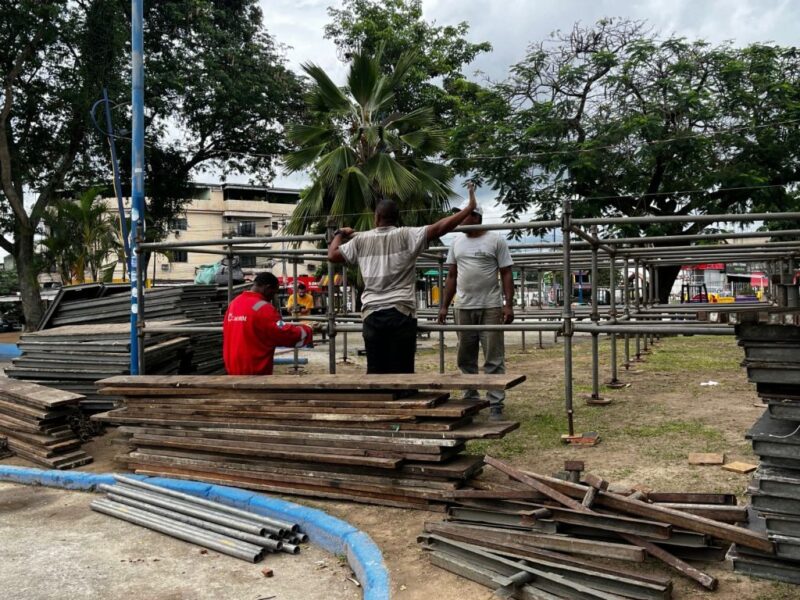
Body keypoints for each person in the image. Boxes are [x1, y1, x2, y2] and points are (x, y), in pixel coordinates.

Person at [327, 185, 478, 373]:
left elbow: (332, 255)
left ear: (377, 217)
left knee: (376, 371)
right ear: (396, 218)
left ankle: (382, 400)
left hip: (372, 313)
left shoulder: (361, 239)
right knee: (404, 371)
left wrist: (339, 234)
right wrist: (467, 210)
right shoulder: (407, 235)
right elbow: (440, 227)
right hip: (401, 311)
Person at [437, 193, 514, 420]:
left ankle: (495, 403)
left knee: (493, 355)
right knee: (465, 355)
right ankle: (470, 397)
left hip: (490, 306)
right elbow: (451, 275)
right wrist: (444, 306)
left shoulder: (495, 240)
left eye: (464, 215)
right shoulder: (457, 242)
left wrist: (508, 305)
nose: (459, 219)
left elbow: (506, 273)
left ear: (477, 217)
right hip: (463, 307)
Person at [223, 272, 313, 375]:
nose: (272, 297)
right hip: (254, 370)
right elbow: (284, 333)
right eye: (273, 292)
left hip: (232, 369)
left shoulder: (235, 303)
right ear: (267, 288)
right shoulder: (263, 308)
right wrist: (308, 330)